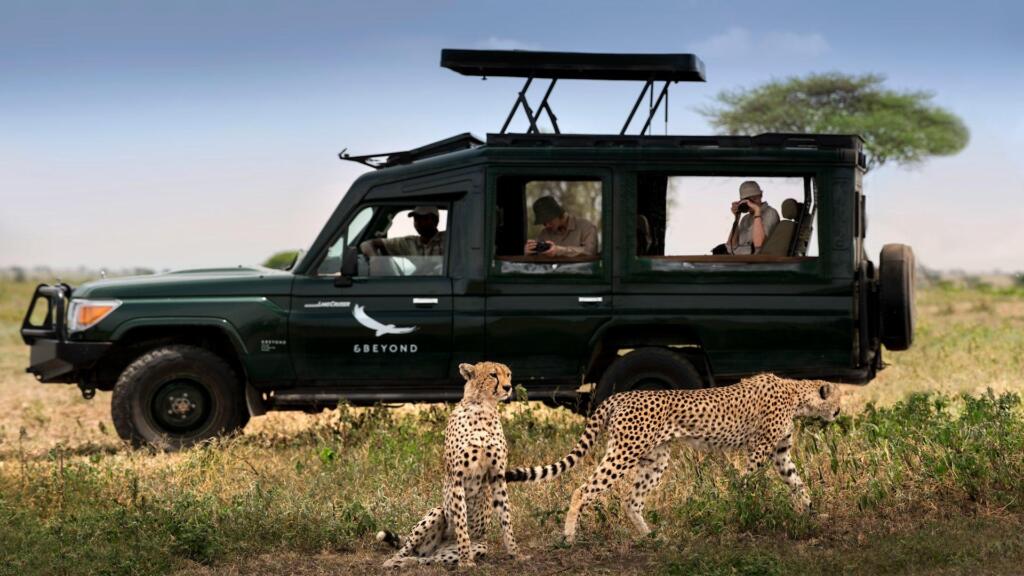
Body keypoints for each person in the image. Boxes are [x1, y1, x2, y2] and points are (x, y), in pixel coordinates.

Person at [523, 196, 598, 258]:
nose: (547, 225)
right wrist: (529, 252)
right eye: (544, 223)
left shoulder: (586, 227)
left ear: (559, 214)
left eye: (549, 221)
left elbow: (590, 252)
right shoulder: (544, 233)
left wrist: (559, 250)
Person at [360, 206, 445, 257]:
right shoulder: (409, 242)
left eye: (424, 218)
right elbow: (366, 244)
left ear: (435, 220)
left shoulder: (448, 239)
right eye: (416, 219)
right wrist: (375, 260)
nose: (418, 222)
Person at [724, 181, 780, 255]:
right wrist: (737, 218)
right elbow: (731, 247)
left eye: (754, 198)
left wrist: (757, 211)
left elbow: (758, 246)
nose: (751, 202)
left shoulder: (770, 213)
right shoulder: (745, 219)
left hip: (760, 262)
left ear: (761, 195)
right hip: (743, 261)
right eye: (747, 199)